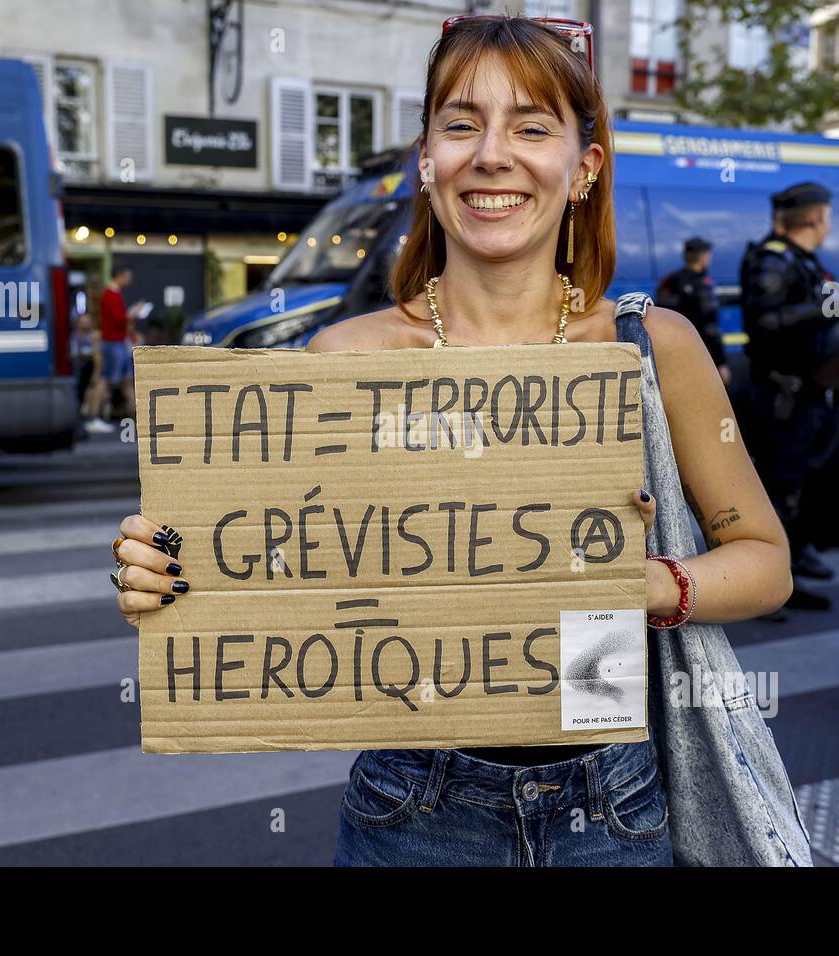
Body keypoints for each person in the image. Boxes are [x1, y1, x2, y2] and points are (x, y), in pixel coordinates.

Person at [107, 15, 802, 867]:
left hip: (612, 806)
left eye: (533, 127)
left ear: (583, 170)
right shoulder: (345, 361)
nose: (492, 154)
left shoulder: (653, 349)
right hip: (411, 808)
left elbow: (766, 561)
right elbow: (283, 569)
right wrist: (171, 573)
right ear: (427, 159)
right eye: (461, 123)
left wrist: (653, 581)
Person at [738, 181, 839, 610]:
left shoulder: (800, 260)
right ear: (817, 218)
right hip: (782, 396)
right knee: (780, 490)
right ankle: (770, 591)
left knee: (799, 485)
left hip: (807, 395)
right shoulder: (773, 260)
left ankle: (790, 569)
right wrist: (833, 307)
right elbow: (766, 322)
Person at [655, 237, 730, 386]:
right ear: (702, 257)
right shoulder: (701, 284)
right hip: (701, 353)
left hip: (674, 353)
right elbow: (710, 326)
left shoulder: (671, 280)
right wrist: (721, 362)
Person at [99, 264, 143, 420]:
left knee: (126, 379)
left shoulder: (113, 294)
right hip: (113, 342)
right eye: (127, 276)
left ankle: (137, 415)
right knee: (108, 379)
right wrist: (133, 313)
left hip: (118, 342)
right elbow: (118, 319)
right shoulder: (111, 294)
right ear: (120, 275)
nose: (129, 280)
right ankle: (96, 416)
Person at [74, 313, 114, 435]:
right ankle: (89, 417)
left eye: (87, 322)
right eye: (82, 322)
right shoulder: (73, 337)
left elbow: (97, 356)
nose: (85, 324)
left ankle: (93, 418)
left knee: (100, 384)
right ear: (77, 324)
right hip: (76, 372)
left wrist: (96, 374)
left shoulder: (95, 337)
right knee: (97, 384)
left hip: (88, 372)